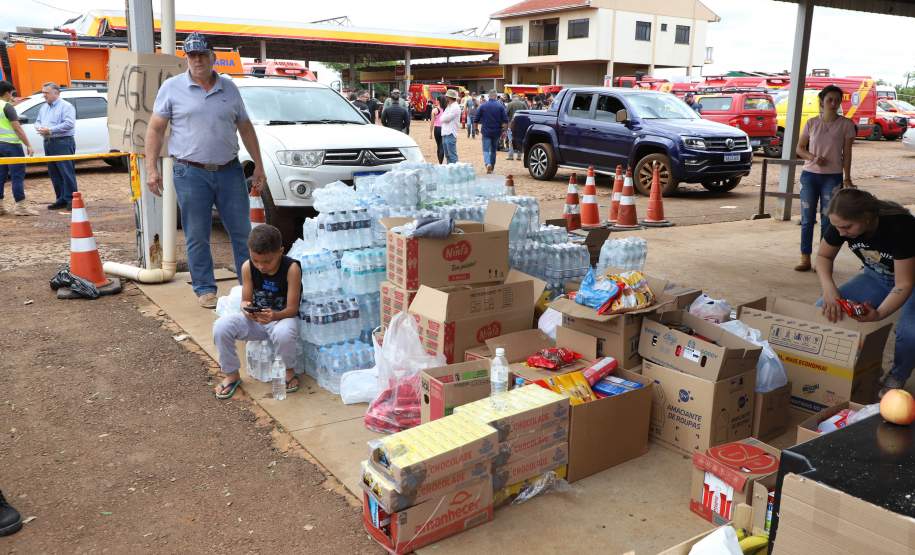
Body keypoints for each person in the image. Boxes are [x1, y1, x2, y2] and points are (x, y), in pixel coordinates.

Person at [146, 32, 268, 309]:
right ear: (186, 58)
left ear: (213, 57)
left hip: (229, 171)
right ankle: (204, 288)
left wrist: (259, 164)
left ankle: (248, 285)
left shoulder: (229, 88)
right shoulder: (172, 88)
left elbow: (245, 127)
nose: (197, 60)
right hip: (191, 173)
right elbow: (155, 129)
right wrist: (152, 168)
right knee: (197, 233)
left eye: (202, 54)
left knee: (241, 232)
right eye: (192, 55)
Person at [816, 188, 914, 398]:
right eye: (837, 227)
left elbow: (904, 284)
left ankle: (898, 375)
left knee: (910, 333)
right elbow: (823, 257)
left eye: (846, 227)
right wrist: (829, 288)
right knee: (823, 310)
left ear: (867, 218)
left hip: (910, 280)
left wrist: (878, 314)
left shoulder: (901, 227)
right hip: (876, 275)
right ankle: (864, 368)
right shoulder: (839, 223)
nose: (841, 233)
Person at [213, 224, 302, 399]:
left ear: (280, 252)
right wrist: (247, 310)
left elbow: (292, 309)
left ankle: (288, 372)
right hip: (256, 320)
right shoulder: (248, 266)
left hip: (281, 318)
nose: (261, 266)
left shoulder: (291, 268)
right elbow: (245, 300)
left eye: (267, 261)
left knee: (285, 332)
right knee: (221, 326)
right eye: (256, 260)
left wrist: (275, 315)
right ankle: (231, 374)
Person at [794, 85, 857, 272]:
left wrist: (847, 177)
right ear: (822, 101)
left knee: (828, 219)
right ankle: (805, 257)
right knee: (807, 219)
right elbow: (799, 149)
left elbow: (848, 153)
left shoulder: (846, 124)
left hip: (833, 176)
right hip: (810, 176)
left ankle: (823, 260)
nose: (833, 103)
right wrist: (813, 158)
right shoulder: (811, 122)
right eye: (830, 99)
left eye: (837, 100)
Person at [35, 82, 78, 210]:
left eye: (46, 93)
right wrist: (40, 128)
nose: (44, 95)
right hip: (48, 142)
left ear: (56, 93)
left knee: (66, 172)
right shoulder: (44, 108)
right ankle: (61, 199)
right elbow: (37, 121)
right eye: (43, 93)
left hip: (62, 142)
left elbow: (69, 124)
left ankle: (72, 200)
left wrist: (51, 130)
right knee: (54, 173)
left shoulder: (66, 106)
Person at [0, 80, 37, 216]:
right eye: (12, 93)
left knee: (0, 176)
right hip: (11, 146)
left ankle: (0, 207)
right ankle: (20, 206)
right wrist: (28, 144)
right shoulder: (7, 107)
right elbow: (17, 128)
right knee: (17, 176)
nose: (12, 96)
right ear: (7, 93)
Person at [475, 90, 508, 174]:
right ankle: (492, 167)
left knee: (486, 149)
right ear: (496, 96)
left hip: (486, 131)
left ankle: (487, 163)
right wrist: (504, 131)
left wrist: (476, 128)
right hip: (497, 131)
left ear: (488, 96)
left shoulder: (483, 106)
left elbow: (476, 119)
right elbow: (505, 120)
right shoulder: (500, 106)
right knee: (493, 150)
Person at [439, 89, 461, 163]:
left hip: (450, 133)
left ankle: (455, 171)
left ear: (449, 97)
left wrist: (443, 118)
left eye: (447, 97)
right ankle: (451, 170)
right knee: (448, 155)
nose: (445, 98)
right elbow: (442, 118)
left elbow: (445, 118)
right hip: (446, 133)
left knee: (452, 155)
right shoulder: (449, 106)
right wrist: (443, 118)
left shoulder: (455, 107)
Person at [505, 94, 527, 161]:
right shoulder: (523, 104)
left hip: (511, 125)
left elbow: (506, 114)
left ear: (513, 98)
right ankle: (519, 156)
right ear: (518, 98)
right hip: (521, 125)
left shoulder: (510, 104)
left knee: (511, 140)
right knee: (519, 140)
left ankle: (511, 155)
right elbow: (527, 113)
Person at [429, 98, 445, 164]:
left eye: (436, 100)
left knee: (438, 145)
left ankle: (440, 162)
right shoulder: (446, 109)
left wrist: (430, 132)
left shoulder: (435, 110)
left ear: (438, 101)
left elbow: (432, 122)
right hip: (444, 128)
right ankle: (441, 162)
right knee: (442, 145)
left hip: (437, 129)